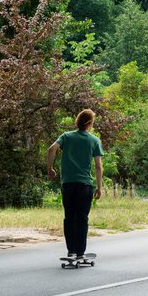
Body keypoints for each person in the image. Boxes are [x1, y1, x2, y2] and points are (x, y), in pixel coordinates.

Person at [47, 108, 103, 262]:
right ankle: (80, 252)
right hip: (85, 185)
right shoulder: (94, 140)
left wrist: (50, 168)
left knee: (69, 217)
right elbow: (98, 166)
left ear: (77, 121)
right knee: (82, 218)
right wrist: (99, 187)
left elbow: (51, 149)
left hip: (68, 184)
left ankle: (71, 251)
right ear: (90, 123)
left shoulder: (66, 136)